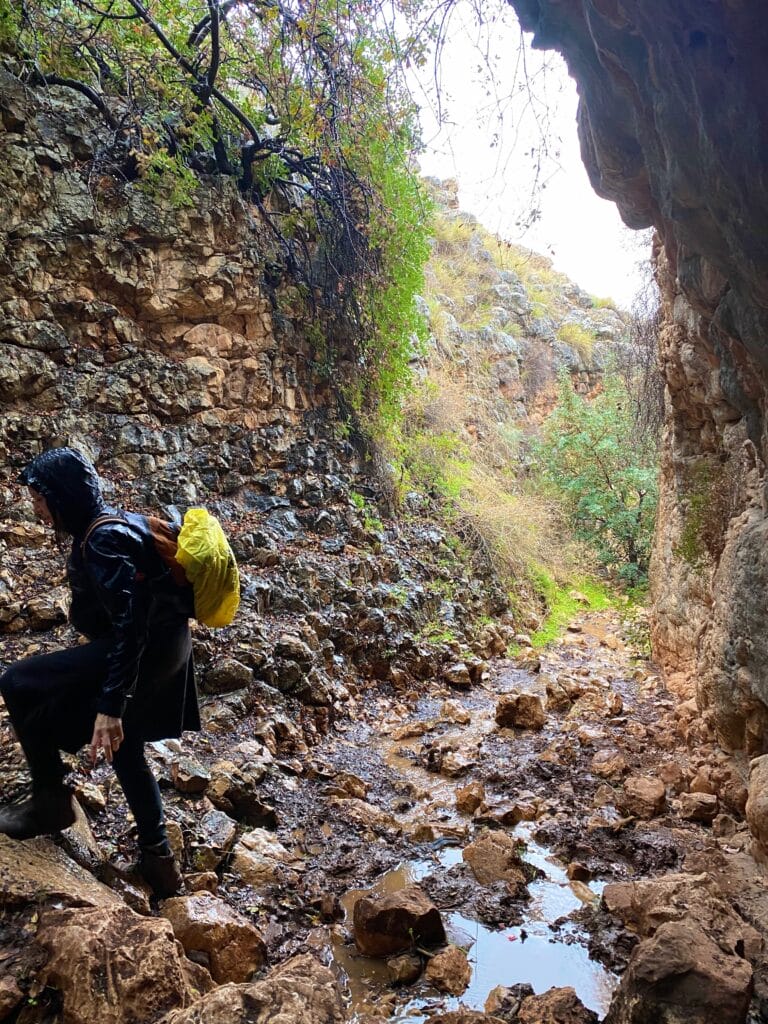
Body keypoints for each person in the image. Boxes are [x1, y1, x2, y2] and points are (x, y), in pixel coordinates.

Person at [0, 447, 199, 897]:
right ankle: (160, 864)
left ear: (63, 496)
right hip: (168, 646)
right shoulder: (111, 522)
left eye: (39, 498)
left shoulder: (102, 541)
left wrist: (110, 706)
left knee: (17, 681)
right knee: (126, 749)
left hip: (147, 650)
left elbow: (131, 629)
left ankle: (50, 802)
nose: (34, 507)